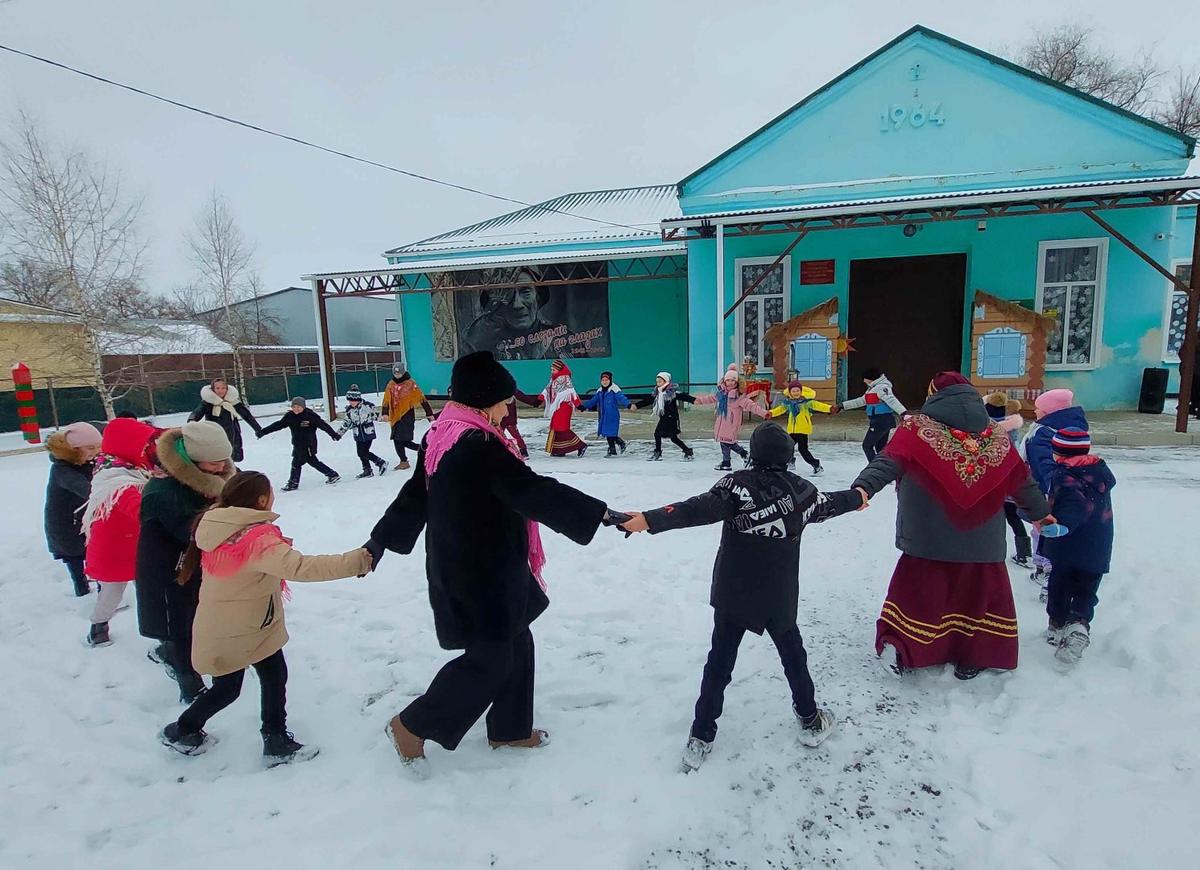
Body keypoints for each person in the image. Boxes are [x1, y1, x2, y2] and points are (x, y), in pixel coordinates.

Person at [367, 351, 626, 777]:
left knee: (518, 643)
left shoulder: (443, 434)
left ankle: (509, 728)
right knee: (491, 661)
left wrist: (379, 541)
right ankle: (412, 725)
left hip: (485, 563)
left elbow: (416, 495)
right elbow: (530, 490)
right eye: (504, 399)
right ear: (485, 400)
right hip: (477, 573)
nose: (509, 407)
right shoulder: (475, 444)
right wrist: (599, 513)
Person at [621, 423, 869, 772]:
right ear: (789, 456)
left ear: (752, 454)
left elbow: (697, 509)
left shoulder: (735, 485)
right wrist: (858, 497)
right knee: (793, 658)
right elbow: (833, 503)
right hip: (778, 595)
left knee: (719, 663)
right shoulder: (803, 492)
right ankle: (811, 720)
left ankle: (701, 736)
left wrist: (649, 519)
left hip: (733, 593)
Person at [159, 471, 372, 764]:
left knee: (262, 678)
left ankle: (261, 735)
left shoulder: (216, 522)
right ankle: (199, 731)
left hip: (228, 622)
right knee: (233, 688)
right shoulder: (256, 539)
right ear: (261, 500)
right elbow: (300, 568)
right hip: (246, 628)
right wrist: (359, 559)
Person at [852, 372, 1052, 680]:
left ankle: (906, 648)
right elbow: (1020, 481)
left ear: (933, 396)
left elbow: (888, 461)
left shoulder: (917, 428)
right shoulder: (996, 435)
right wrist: (1041, 514)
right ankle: (975, 655)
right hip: (982, 540)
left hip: (928, 537)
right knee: (978, 599)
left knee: (921, 597)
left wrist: (863, 488)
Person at [136, 421, 236, 703]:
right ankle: (188, 682)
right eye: (214, 463)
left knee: (198, 618)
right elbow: (193, 532)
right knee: (180, 627)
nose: (221, 467)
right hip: (170, 571)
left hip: (195, 567)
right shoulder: (164, 491)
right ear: (192, 459)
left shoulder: (209, 479)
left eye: (223, 461)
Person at [81, 417, 161, 647]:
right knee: (112, 593)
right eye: (142, 445)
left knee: (148, 591)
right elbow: (142, 511)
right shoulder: (118, 482)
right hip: (117, 550)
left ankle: (159, 631)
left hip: (134, 545)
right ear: (126, 447)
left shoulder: (127, 468)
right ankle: (98, 626)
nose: (147, 449)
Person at [1041, 426, 1116, 666]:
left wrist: (1060, 527)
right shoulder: (1099, 471)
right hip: (1098, 545)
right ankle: (1080, 623)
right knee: (1086, 589)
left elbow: (1075, 506)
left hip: (1068, 544)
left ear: (1058, 453)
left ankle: (1059, 625)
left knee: (1060, 585)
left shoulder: (1064, 475)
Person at [1021, 389, 1087, 587]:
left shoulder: (1043, 432)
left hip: (1045, 488)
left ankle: (1047, 569)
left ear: (1051, 412)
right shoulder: (1073, 427)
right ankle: (1044, 565)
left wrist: (1052, 486)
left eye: (1039, 409)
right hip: (1066, 486)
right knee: (1047, 528)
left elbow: (1044, 463)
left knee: (1043, 528)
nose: (1035, 413)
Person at [44, 422, 102, 598]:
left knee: (96, 557)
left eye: (98, 447)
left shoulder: (85, 462)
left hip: (84, 521)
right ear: (74, 449)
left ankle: (104, 591)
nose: (95, 451)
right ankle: (82, 593)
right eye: (90, 447)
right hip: (66, 526)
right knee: (76, 560)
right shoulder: (62, 470)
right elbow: (86, 489)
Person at [460, 267, 561, 361]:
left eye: (525, 292)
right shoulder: (480, 342)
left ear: (538, 296)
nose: (517, 305)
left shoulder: (563, 339)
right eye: (508, 295)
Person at [983, 392, 1033, 567]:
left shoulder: (985, 429)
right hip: (1010, 478)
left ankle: (988, 551)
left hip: (990, 481)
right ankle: (1024, 552)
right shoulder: (1012, 427)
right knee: (1012, 515)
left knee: (987, 517)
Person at [692, 364, 768, 470]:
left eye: (733, 381)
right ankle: (727, 462)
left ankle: (744, 455)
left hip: (732, 423)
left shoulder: (739, 396)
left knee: (728, 442)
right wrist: (698, 400)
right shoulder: (721, 394)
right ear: (724, 381)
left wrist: (764, 413)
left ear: (736, 382)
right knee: (724, 442)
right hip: (722, 422)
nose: (730, 383)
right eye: (728, 381)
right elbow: (710, 398)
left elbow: (751, 406)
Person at [257, 397, 341, 491]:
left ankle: (330, 475)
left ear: (303, 407)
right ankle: (295, 482)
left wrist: (333, 434)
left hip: (308, 444)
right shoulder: (290, 416)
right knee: (300, 463)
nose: (296, 409)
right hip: (297, 444)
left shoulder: (310, 415)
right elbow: (278, 425)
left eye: (299, 407)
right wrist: (263, 432)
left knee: (309, 462)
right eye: (294, 406)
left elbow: (323, 425)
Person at [837, 368, 907, 461]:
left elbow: (892, 400)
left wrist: (903, 413)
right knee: (880, 448)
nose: (863, 381)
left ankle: (875, 469)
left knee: (867, 446)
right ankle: (885, 469)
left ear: (870, 378)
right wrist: (842, 406)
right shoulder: (873, 388)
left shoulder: (882, 388)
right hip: (882, 421)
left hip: (880, 421)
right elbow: (862, 401)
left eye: (864, 378)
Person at [767, 380, 835, 476]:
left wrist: (830, 408)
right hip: (792, 430)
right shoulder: (788, 403)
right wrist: (771, 413)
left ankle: (816, 465)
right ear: (790, 392)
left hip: (802, 430)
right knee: (787, 446)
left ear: (801, 391)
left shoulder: (806, 402)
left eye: (798, 391)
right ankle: (790, 462)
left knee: (803, 450)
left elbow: (818, 405)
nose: (796, 393)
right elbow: (780, 409)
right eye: (794, 391)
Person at [188, 377, 262, 463]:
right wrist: (192, 421)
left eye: (223, 388)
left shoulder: (233, 402)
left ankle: (232, 472)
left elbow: (247, 415)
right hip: (214, 435)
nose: (221, 391)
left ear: (227, 389)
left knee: (231, 458)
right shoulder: (208, 403)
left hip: (232, 434)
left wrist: (258, 429)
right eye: (217, 388)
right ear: (213, 389)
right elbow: (197, 412)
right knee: (217, 458)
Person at [381, 364, 436, 470]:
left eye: (399, 373)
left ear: (403, 372)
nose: (397, 375)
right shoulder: (391, 384)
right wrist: (385, 413)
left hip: (407, 415)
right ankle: (404, 460)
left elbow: (422, 399)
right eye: (395, 373)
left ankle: (424, 450)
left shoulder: (410, 384)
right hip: (395, 416)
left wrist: (429, 414)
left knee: (403, 440)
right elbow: (386, 400)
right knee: (396, 439)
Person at [633, 371, 695, 461]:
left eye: (660, 381)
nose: (658, 383)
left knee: (662, 435)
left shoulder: (672, 392)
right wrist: (637, 405)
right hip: (664, 417)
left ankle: (659, 453)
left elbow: (684, 397)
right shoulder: (657, 392)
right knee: (670, 437)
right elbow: (649, 400)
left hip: (672, 418)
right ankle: (687, 451)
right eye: (657, 381)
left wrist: (695, 400)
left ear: (666, 381)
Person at [337, 385, 389, 479]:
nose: (351, 403)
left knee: (364, 452)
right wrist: (338, 434)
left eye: (353, 400)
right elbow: (346, 423)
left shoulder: (367, 406)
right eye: (349, 401)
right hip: (358, 434)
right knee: (360, 452)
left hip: (368, 432)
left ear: (358, 399)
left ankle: (380, 462)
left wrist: (383, 417)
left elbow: (376, 415)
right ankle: (367, 470)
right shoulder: (349, 410)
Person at [540, 359, 587, 457]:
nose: (552, 372)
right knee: (555, 428)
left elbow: (571, 393)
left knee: (562, 428)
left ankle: (581, 445)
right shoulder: (554, 379)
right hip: (557, 407)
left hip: (565, 407)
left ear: (559, 369)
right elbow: (547, 390)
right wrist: (539, 399)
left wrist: (578, 405)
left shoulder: (565, 379)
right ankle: (559, 450)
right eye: (551, 369)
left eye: (554, 370)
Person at [578, 371, 631, 457]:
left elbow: (622, 398)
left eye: (606, 380)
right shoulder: (600, 391)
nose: (604, 382)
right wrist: (583, 407)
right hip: (603, 415)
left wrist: (628, 404)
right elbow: (593, 401)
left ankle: (613, 449)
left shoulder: (614, 390)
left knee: (610, 433)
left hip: (612, 416)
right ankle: (619, 444)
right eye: (603, 380)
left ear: (610, 380)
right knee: (607, 433)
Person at [498, 390, 542, 459]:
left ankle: (523, 451)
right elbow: (522, 396)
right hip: (502, 417)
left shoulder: (506, 388)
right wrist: (534, 402)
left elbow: (521, 396)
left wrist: (534, 402)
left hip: (505, 418)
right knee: (500, 435)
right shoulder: (498, 388)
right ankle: (522, 451)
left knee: (503, 435)